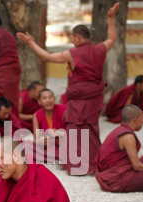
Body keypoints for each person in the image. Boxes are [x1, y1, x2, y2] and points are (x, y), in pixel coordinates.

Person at [17, 3, 120, 175]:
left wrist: (31, 43)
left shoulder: (72, 54)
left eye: (72, 38)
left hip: (79, 101)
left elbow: (47, 56)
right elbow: (112, 39)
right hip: (95, 99)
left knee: (75, 131)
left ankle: (78, 166)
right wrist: (110, 19)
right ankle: (95, 163)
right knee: (92, 130)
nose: (72, 41)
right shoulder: (100, 49)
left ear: (78, 38)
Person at [95, 105, 143, 192]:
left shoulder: (119, 130)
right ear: (135, 120)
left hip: (110, 173)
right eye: (141, 119)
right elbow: (137, 166)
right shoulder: (128, 136)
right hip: (118, 179)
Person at [32, 88, 67, 163]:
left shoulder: (64, 110)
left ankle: (53, 157)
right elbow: (36, 139)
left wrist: (59, 133)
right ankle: (55, 157)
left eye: (50, 97)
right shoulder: (37, 115)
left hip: (63, 145)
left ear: (54, 99)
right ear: (39, 101)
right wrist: (41, 141)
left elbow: (74, 133)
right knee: (27, 146)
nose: (48, 100)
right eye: (44, 98)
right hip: (48, 147)